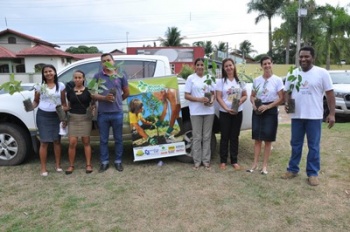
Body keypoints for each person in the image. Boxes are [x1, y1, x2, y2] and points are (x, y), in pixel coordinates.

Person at [282, 46, 335, 186]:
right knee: (296, 144)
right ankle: (292, 169)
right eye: (301, 56)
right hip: (297, 116)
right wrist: (287, 103)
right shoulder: (293, 73)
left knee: (314, 146)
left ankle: (312, 173)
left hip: (314, 116)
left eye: (306, 56)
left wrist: (332, 113)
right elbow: (287, 91)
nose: (303, 59)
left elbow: (330, 93)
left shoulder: (322, 73)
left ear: (313, 57)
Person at [92, 53, 130, 173]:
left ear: (113, 61)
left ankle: (118, 161)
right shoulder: (97, 76)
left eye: (109, 60)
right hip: (103, 114)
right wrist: (104, 99)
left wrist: (117, 101)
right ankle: (104, 162)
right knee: (103, 140)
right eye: (104, 61)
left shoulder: (121, 76)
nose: (106, 62)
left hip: (117, 113)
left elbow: (126, 92)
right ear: (101, 63)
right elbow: (91, 93)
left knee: (118, 139)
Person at [247, 56, 284, 175]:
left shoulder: (277, 80)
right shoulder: (257, 80)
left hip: (270, 110)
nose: (267, 66)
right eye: (264, 64)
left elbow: (281, 98)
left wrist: (268, 107)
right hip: (258, 109)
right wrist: (253, 103)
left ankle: (264, 166)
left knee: (268, 140)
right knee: (257, 139)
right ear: (261, 66)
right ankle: (255, 164)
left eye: (269, 63)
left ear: (272, 64)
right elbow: (252, 95)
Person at [32, 64, 66, 176]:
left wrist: (62, 112)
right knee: (44, 142)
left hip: (56, 117)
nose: (48, 73)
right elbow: (36, 101)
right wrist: (30, 106)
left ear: (55, 72)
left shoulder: (60, 86)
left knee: (57, 141)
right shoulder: (39, 86)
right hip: (43, 116)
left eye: (50, 71)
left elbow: (63, 103)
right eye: (45, 72)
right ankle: (43, 168)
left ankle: (58, 165)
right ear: (43, 74)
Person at [215, 58, 247, 171]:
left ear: (234, 66)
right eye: (226, 66)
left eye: (230, 65)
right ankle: (223, 161)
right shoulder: (220, 82)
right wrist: (226, 108)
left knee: (234, 136)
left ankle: (234, 160)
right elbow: (218, 97)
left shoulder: (240, 81)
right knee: (224, 136)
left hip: (238, 112)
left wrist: (239, 102)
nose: (229, 68)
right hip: (225, 113)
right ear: (224, 68)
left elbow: (245, 95)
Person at [184, 58, 215, 170]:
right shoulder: (191, 78)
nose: (200, 67)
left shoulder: (209, 78)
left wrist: (211, 100)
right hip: (196, 112)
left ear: (204, 66)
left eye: (202, 65)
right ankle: (197, 162)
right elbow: (186, 95)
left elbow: (213, 93)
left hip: (208, 112)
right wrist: (199, 99)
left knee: (207, 137)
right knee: (197, 137)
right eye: (198, 65)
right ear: (195, 66)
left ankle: (206, 161)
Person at [64, 70, 94, 175]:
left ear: (84, 79)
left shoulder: (89, 91)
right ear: (73, 79)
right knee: (72, 142)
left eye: (79, 77)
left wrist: (93, 109)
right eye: (75, 77)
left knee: (86, 141)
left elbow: (93, 104)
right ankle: (71, 165)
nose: (77, 79)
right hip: (73, 119)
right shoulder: (70, 92)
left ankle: (88, 164)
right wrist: (62, 110)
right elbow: (69, 105)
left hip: (85, 119)